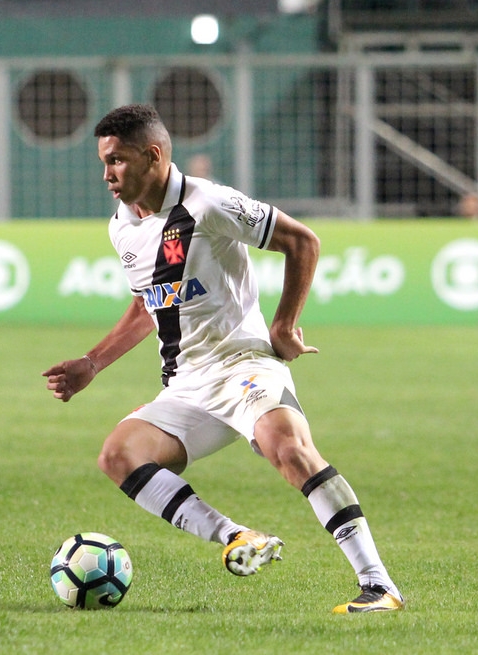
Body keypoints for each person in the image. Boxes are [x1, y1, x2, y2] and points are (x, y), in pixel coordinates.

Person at [42, 104, 404, 615]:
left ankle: (379, 585)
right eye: (104, 162)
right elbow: (149, 303)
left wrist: (282, 327)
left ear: (153, 156)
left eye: (117, 161)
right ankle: (236, 535)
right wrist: (92, 363)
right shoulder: (123, 226)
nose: (107, 175)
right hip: (186, 384)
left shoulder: (208, 203)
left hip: (243, 366)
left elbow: (302, 242)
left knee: (289, 449)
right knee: (118, 456)